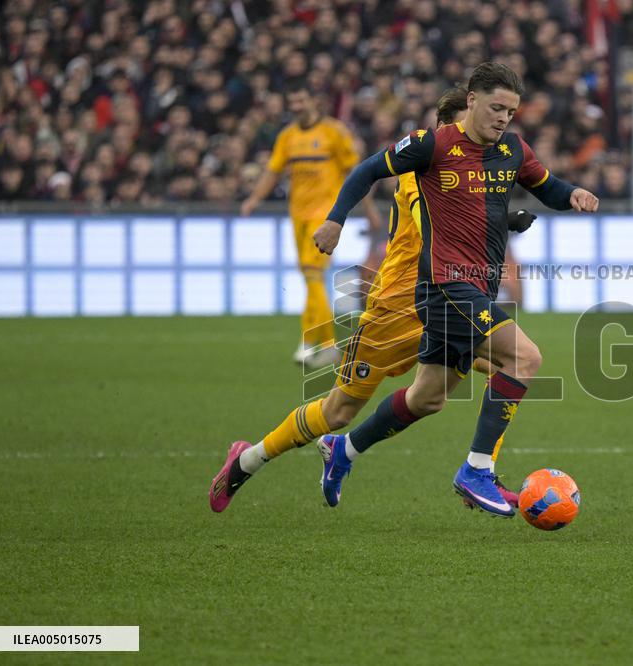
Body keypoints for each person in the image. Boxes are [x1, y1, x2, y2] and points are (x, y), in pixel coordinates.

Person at [209, 86, 537, 514]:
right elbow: (436, 220)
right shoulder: (422, 170)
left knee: (462, 385)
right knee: (339, 409)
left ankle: (473, 471)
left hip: (446, 302)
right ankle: (248, 460)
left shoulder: (472, 172)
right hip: (394, 312)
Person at [314, 62, 597, 517]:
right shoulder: (432, 144)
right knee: (525, 358)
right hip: (445, 286)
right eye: (496, 107)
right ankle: (477, 470)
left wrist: (574, 195)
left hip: (477, 289)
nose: (504, 118)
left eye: (511, 111)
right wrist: (335, 220)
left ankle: (342, 450)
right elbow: (367, 170)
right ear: (471, 101)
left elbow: (547, 187)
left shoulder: (512, 150)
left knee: (428, 397)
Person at [240, 82, 380, 366]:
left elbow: (357, 175)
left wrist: (369, 209)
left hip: (325, 217)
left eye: (301, 100)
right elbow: (272, 171)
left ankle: (326, 344)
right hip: (297, 215)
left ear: (313, 102)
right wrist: (254, 199)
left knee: (312, 273)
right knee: (310, 278)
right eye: (292, 102)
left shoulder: (333, 132)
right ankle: (309, 342)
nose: (297, 107)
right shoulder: (287, 137)